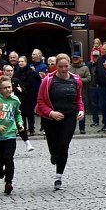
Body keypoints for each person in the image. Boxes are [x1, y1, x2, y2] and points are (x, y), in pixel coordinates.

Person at [35, 53, 85, 190]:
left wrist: (81, 110)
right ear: (55, 66)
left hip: (69, 116)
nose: (63, 69)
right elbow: (40, 102)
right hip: (50, 118)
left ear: (69, 65)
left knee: (64, 144)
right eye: (60, 66)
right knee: (54, 147)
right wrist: (51, 113)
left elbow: (79, 98)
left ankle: (58, 178)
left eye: (65, 66)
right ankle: (54, 154)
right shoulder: (48, 80)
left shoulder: (76, 80)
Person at [0, 76, 24, 195]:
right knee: (1, 158)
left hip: (11, 133)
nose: (8, 90)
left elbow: (17, 114)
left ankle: (9, 182)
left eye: (9, 87)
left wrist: (20, 123)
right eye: (5, 88)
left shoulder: (15, 100)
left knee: (9, 158)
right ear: (0, 90)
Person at [70, 53, 91, 134]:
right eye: (74, 58)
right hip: (70, 93)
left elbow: (89, 79)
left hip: (82, 93)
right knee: (71, 112)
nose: (75, 59)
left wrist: (78, 79)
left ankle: (82, 128)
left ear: (80, 58)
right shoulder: (69, 67)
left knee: (81, 111)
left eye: (77, 58)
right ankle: (71, 128)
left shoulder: (85, 68)